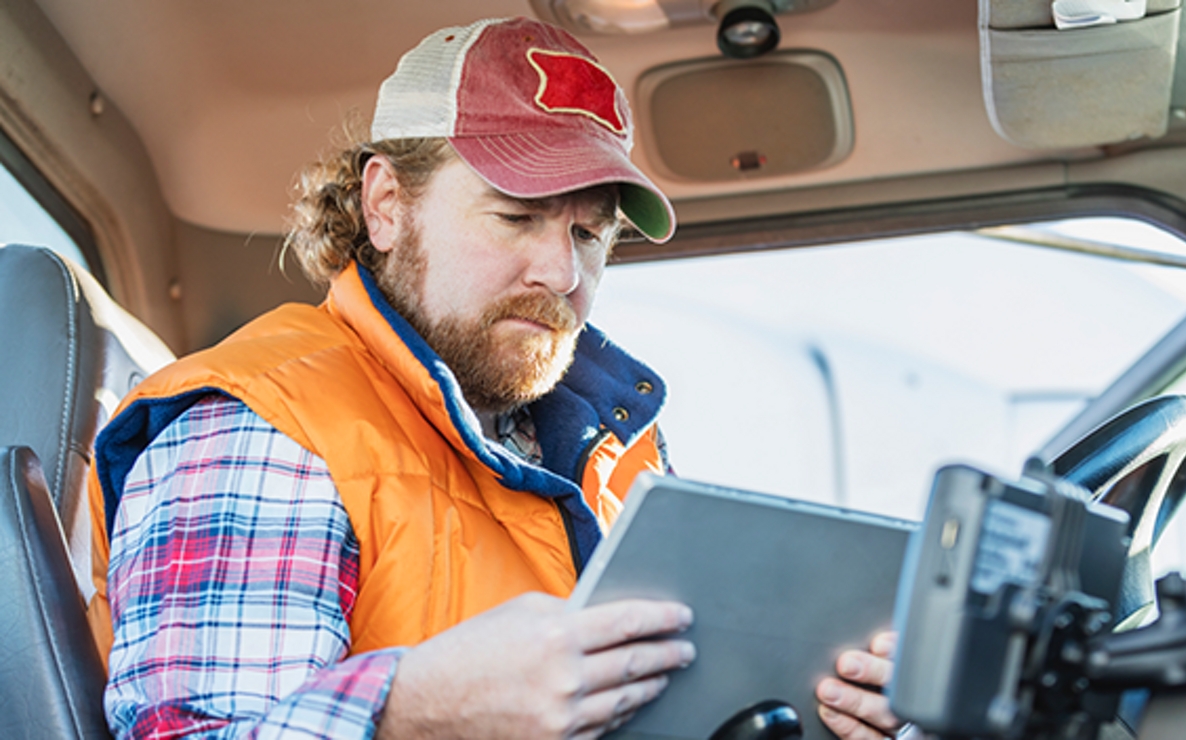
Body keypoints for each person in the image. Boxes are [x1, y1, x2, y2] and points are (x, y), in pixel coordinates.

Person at [84, 16, 902, 739]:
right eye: (516, 214)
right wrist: (412, 714)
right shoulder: (261, 428)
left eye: (590, 234)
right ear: (386, 205)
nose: (561, 271)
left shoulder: (615, 455)